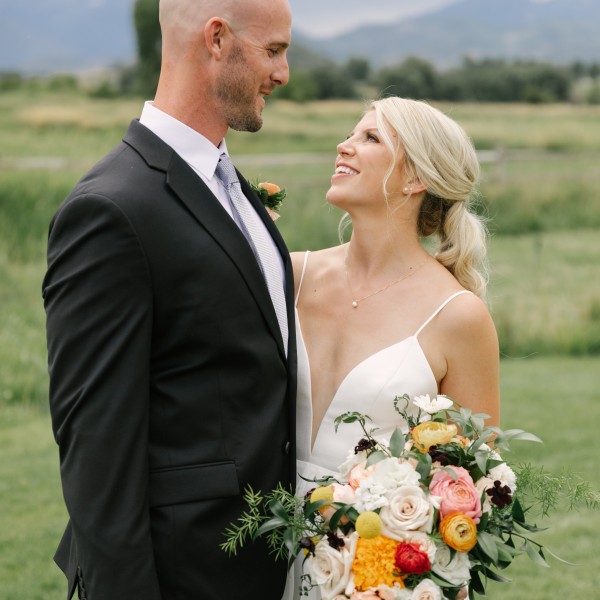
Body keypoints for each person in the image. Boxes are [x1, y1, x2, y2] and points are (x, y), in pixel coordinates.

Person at [42, 1, 295, 599]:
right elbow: (97, 451)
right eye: (273, 51)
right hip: (186, 574)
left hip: (265, 566)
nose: (283, 74)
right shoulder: (111, 210)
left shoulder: (234, 191)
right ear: (216, 39)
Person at [286, 97, 499, 599]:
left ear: (415, 179)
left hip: (374, 574)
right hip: (261, 547)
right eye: (351, 133)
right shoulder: (290, 274)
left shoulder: (457, 315)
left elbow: (471, 489)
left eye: (370, 138)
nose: (344, 145)